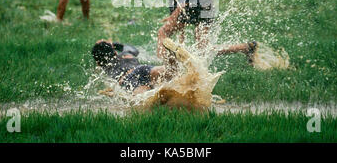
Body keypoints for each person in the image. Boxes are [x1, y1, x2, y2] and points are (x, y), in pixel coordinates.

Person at [92, 38, 257, 95]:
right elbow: (132, 48)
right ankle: (171, 56)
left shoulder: (105, 67)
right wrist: (114, 44)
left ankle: (172, 58)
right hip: (144, 69)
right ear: (114, 52)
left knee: (145, 102)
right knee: (170, 74)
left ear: (99, 61)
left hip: (128, 79)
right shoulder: (126, 55)